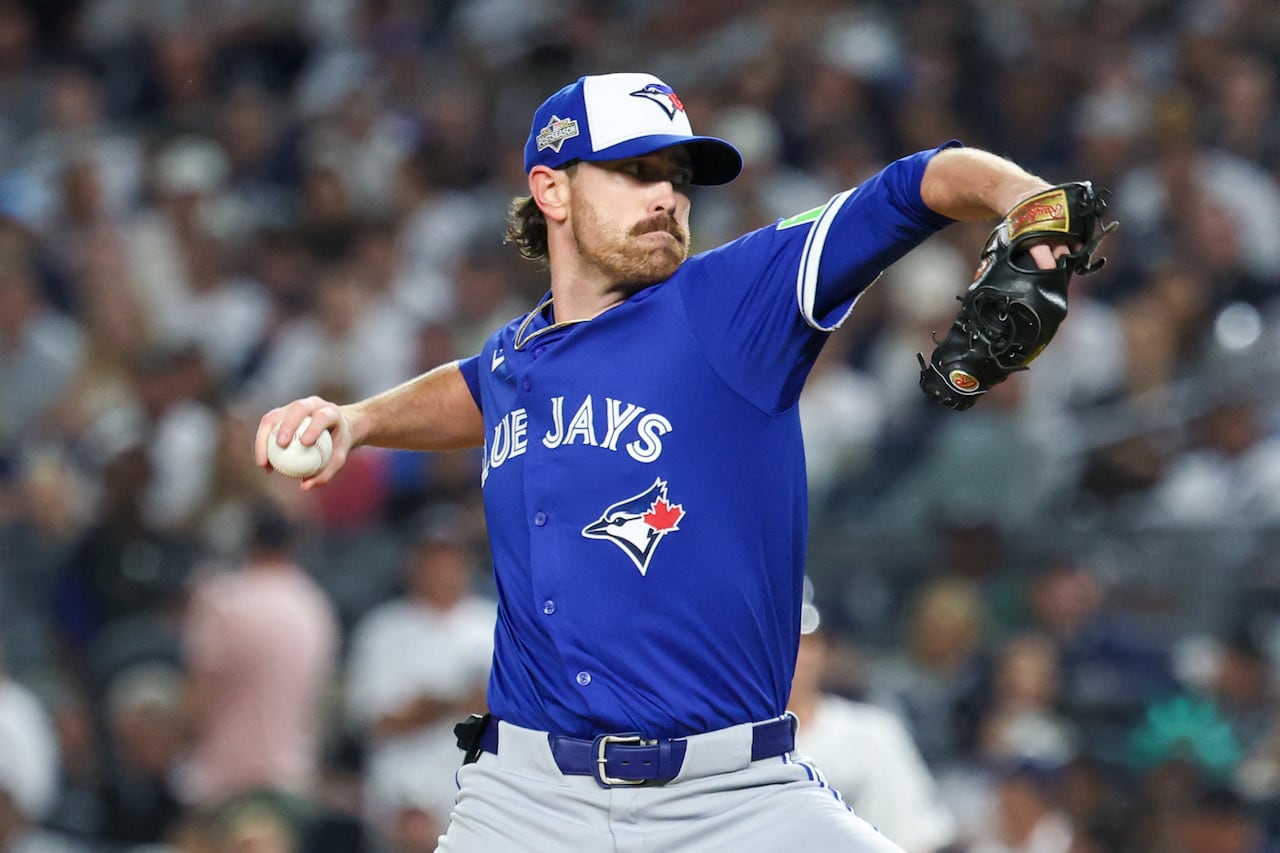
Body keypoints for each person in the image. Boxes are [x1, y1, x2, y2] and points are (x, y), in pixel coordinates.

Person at [256, 71, 1091, 852]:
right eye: (632, 170)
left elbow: (915, 183)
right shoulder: (519, 358)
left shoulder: (732, 305)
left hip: (732, 797)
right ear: (551, 189)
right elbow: (479, 389)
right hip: (526, 800)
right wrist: (358, 420)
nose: (665, 194)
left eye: (677, 175)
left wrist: (1025, 200)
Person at [344, 510, 495, 843]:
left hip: (480, 793)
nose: (440, 570)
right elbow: (378, 722)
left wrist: (431, 705)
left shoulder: (493, 626)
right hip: (399, 794)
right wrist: (457, 701)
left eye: (448, 558)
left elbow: (506, 715)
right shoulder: (383, 628)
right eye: (430, 559)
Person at [789, 599, 958, 853]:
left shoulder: (873, 732)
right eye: (784, 642)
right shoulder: (736, 743)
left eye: (807, 643)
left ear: (825, 651)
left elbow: (919, 836)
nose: (794, 656)